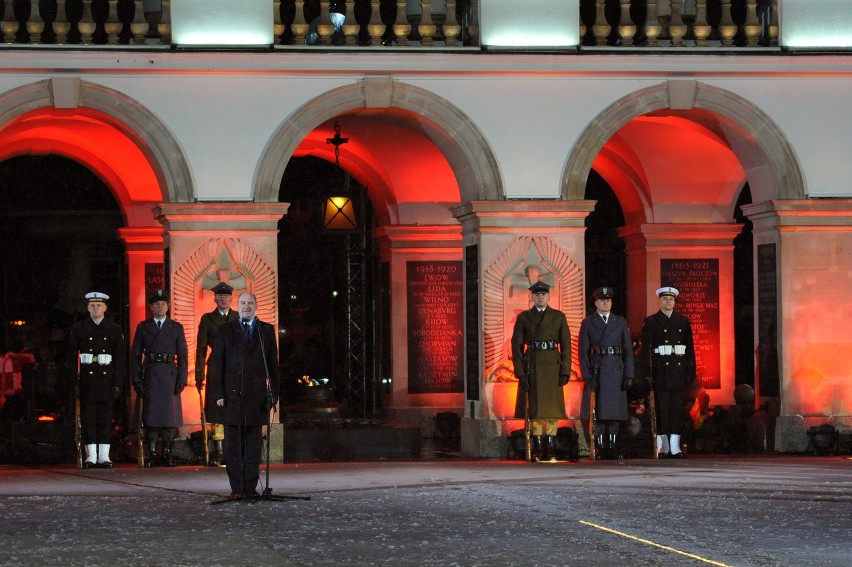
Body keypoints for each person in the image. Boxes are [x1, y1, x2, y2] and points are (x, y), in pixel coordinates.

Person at [207, 292, 280, 499]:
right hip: (231, 398)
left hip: (256, 399)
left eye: (250, 303)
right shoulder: (225, 330)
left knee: (253, 447)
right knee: (233, 448)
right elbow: (217, 365)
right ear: (237, 306)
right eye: (243, 303)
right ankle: (237, 489)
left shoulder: (265, 330)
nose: (246, 306)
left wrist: (273, 394)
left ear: (256, 306)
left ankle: (250, 488)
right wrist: (218, 393)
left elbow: (273, 366)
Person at [511, 280, 571, 462]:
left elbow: (566, 346)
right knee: (536, 409)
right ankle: (537, 444)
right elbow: (517, 346)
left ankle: (550, 444)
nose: (540, 297)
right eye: (537, 295)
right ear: (532, 297)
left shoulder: (559, 317)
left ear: (548, 296)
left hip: (552, 364)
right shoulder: (524, 318)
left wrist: (565, 370)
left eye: (543, 294)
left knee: (552, 409)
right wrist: (520, 372)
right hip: (533, 364)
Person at [67, 292, 127, 469]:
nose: (95, 308)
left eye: (99, 305)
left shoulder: (114, 329)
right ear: (87, 308)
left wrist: (117, 383)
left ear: (105, 308)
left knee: (105, 419)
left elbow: (120, 360)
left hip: (106, 381)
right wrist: (73, 381)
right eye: (92, 306)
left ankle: (104, 456)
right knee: (89, 419)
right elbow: (71, 358)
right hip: (87, 381)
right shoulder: (79, 328)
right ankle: (91, 456)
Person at [130, 289, 188, 467]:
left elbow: (183, 356)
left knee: (170, 418)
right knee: (151, 417)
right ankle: (153, 453)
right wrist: (136, 379)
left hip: (169, 374)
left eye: (163, 303)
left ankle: (168, 453)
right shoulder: (143, 327)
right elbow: (135, 355)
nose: (160, 307)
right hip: (151, 373)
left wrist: (182, 379)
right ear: (151, 307)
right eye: (156, 304)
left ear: (168, 306)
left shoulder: (176, 327)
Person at [579, 287, 634, 460]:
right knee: (600, 412)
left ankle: (612, 445)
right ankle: (600, 446)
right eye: (602, 300)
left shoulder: (620, 322)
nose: (605, 303)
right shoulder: (588, 322)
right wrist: (587, 375)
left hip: (616, 369)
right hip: (598, 368)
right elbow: (583, 351)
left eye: (608, 300)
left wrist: (629, 374)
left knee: (614, 412)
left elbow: (628, 351)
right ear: (595, 303)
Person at [641, 286, 696, 459]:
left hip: (678, 370)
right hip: (661, 371)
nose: (668, 302)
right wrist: (647, 373)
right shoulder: (651, 322)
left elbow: (689, 349)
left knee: (677, 410)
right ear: (659, 301)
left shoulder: (683, 321)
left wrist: (690, 371)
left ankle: (676, 447)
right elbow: (646, 351)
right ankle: (664, 447)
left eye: (671, 299)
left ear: (675, 302)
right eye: (665, 299)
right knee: (662, 410)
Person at [195, 281, 238, 466]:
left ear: (231, 298)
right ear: (215, 298)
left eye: (226, 296)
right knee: (217, 409)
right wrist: (199, 372)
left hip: (236, 367)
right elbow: (201, 348)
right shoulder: (207, 319)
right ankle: (220, 452)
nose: (223, 299)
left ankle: (234, 450)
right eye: (220, 296)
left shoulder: (238, 317)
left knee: (235, 407)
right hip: (216, 367)